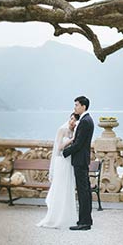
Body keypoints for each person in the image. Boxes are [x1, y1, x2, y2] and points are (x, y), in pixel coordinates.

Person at [36, 113, 79, 229]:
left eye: (74, 120)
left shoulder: (74, 132)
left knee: (67, 189)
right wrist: (72, 140)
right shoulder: (62, 130)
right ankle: (55, 217)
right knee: (59, 188)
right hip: (61, 162)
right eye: (71, 118)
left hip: (69, 162)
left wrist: (74, 138)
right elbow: (59, 147)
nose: (72, 121)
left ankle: (67, 216)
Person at [62, 95, 94, 231]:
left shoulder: (85, 121)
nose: (74, 107)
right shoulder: (87, 119)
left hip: (80, 161)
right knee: (85, 191)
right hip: (82, 160)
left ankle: (84, 223)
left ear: (83, 106)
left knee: (83, 192)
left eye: (76, 105)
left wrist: (65, 152)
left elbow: (79, 143)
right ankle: (86, 220)